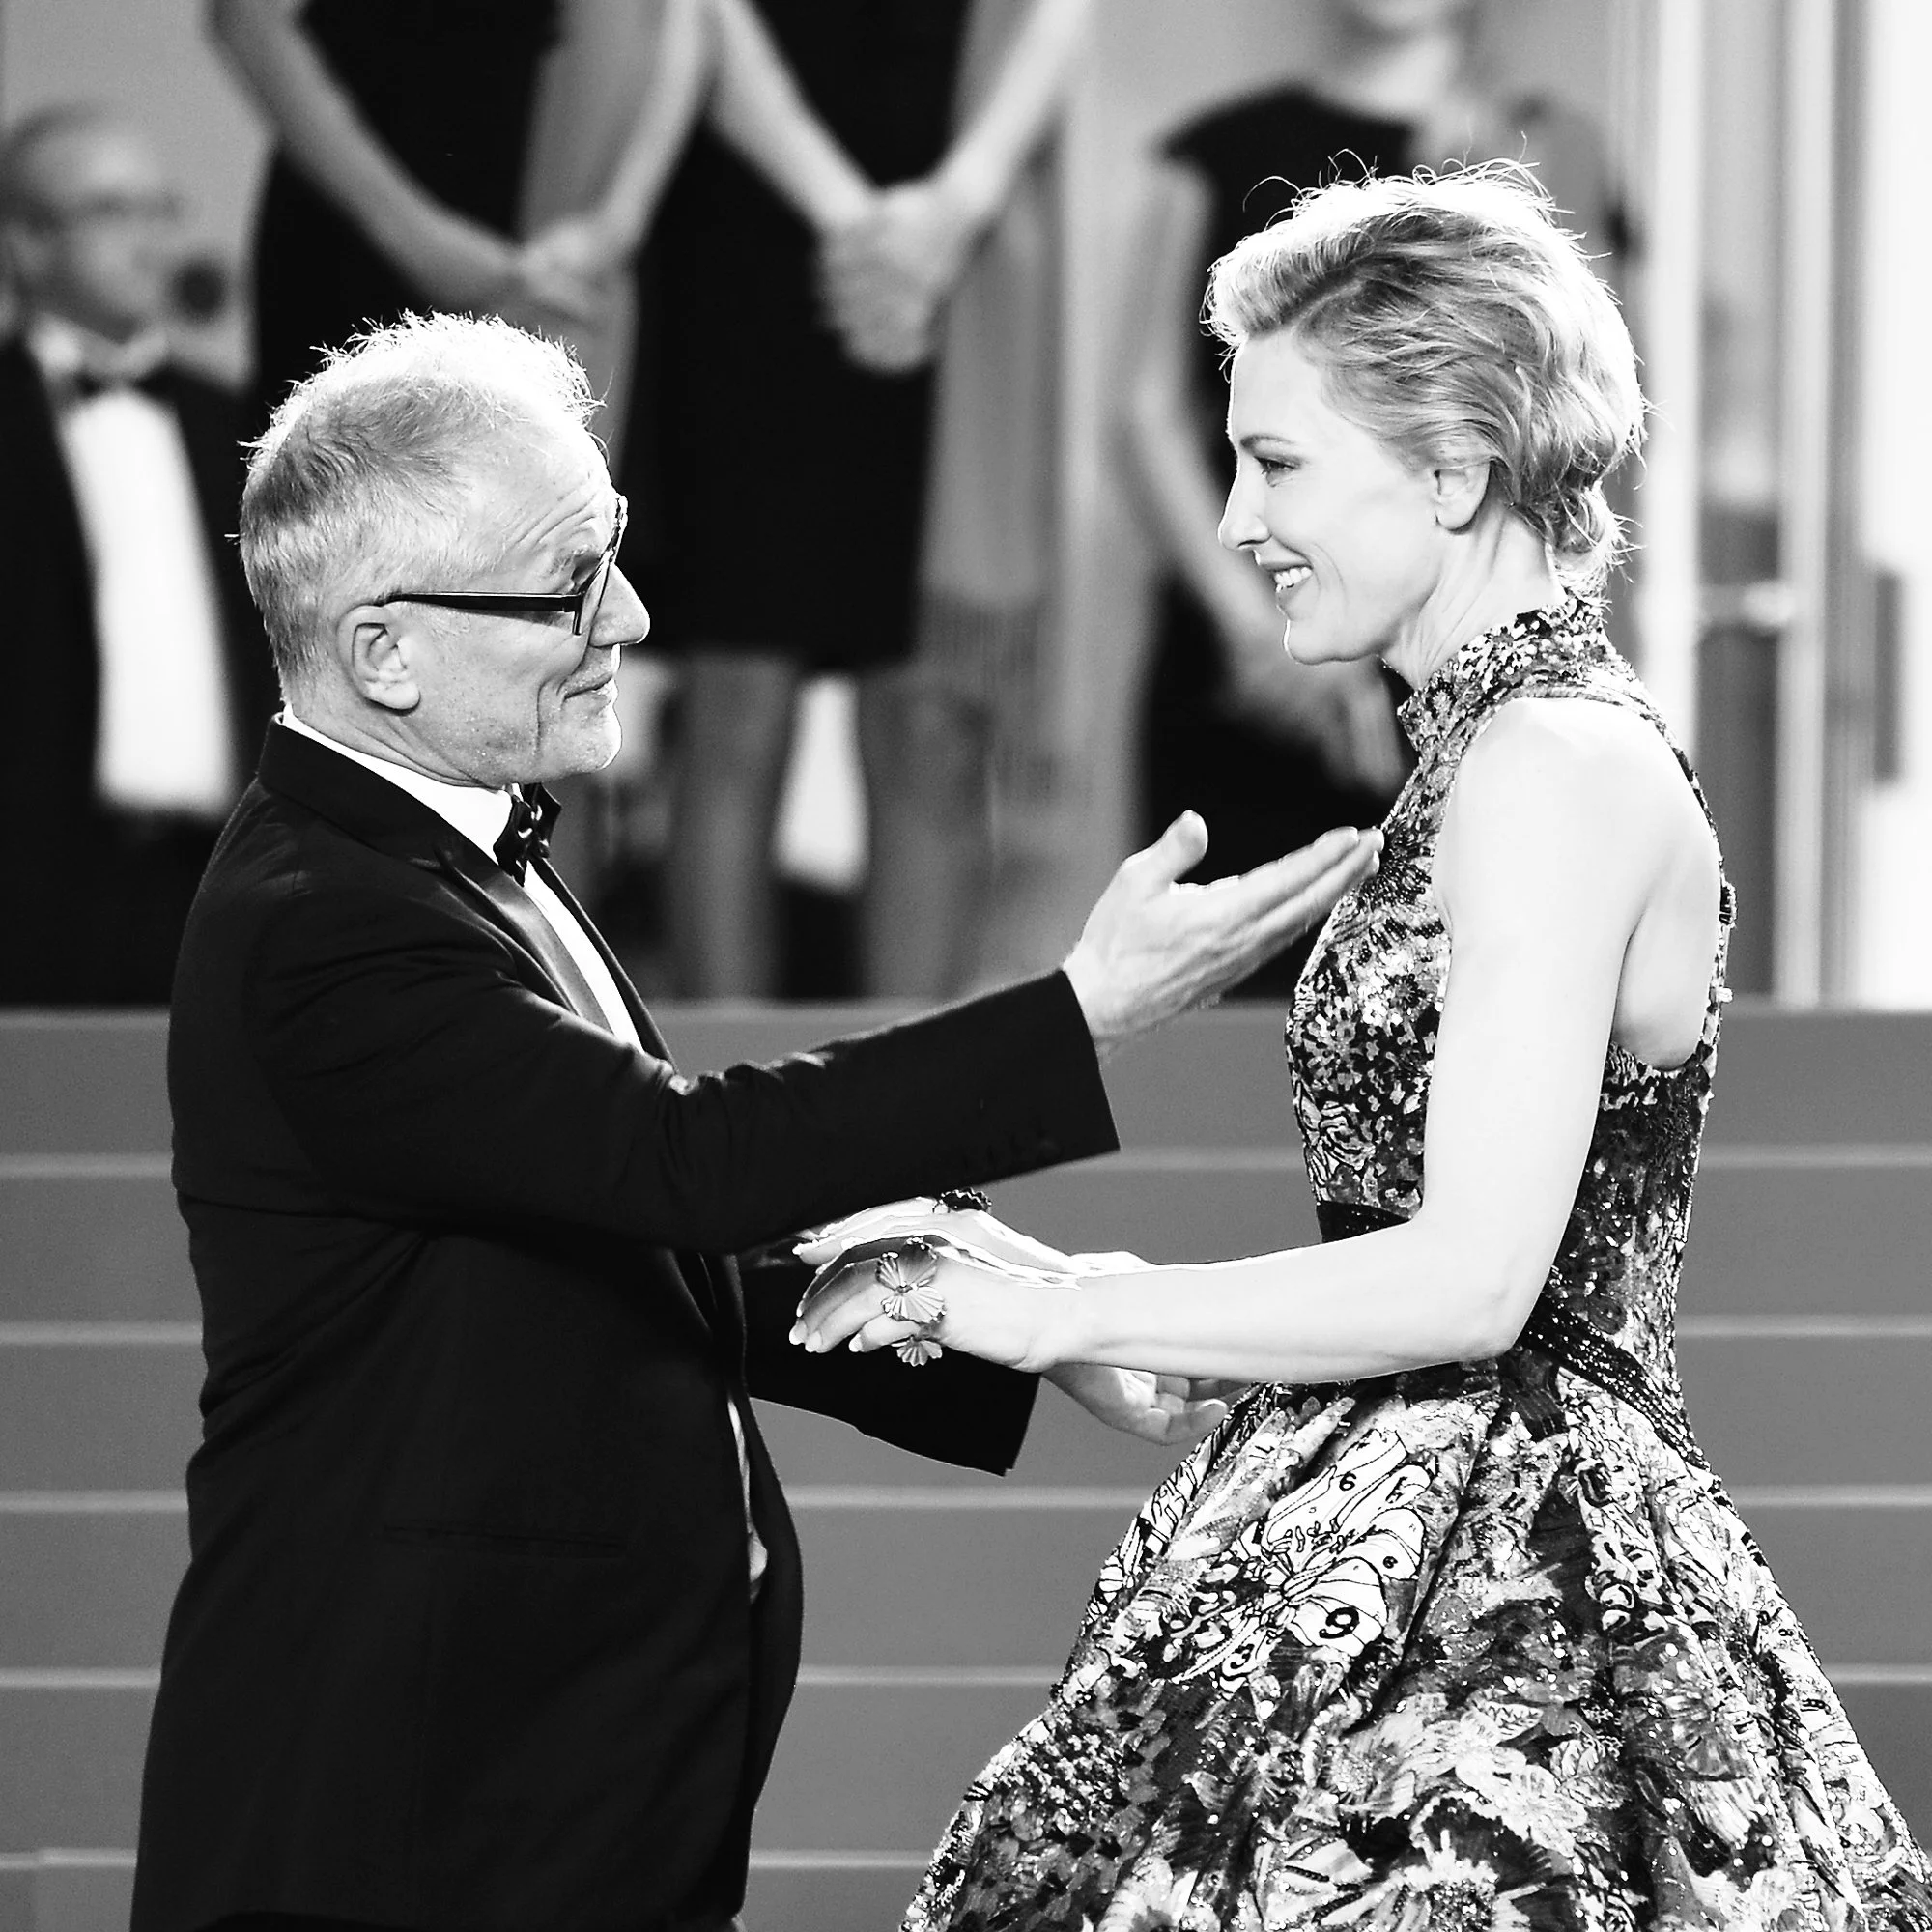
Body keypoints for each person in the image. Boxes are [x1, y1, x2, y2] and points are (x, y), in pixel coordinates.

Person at [128, 311, 1380, 1932]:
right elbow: (683, 1163)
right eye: (573, 582)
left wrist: (1012, 1314)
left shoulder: (439, 850)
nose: (632, 619)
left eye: (617, 553)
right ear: (387, 653)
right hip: (413, 1801)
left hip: (555, 1776)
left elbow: (603, 1231)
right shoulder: (327, 923)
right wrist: (1084, 1013)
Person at [794, 169, 1932, 1922]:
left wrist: (1074, 1304)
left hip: (1516, 1589)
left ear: (1457, 471)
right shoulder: (1488, 760)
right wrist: (1057, 1284)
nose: (1238, 515)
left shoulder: (1551, 767)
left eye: (1281, 460)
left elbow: (1478, 1282)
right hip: (1375, 1514)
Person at [1126, 0, 1623, 1000]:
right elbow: (1136, 411)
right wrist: (1253, 625)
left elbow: (1588, 419)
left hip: (1461, 649)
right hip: (1240, 667)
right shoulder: (1217, 154)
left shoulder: (1556, 149)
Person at [642, 0, 1093, 996]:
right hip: (749, 217)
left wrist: (951, 212)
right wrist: (851, 220)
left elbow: (1059, 17)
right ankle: (716, 1115)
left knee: (936, 712)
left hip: (966, 226)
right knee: (736, 705)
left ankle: (918, 1123)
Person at [0, 106, 277, 1005]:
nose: (150, 241)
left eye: (159, 210)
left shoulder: (241, 425)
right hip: (37, 880)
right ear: (28, 244)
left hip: (224, 881)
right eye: (111, 211)